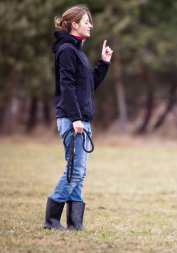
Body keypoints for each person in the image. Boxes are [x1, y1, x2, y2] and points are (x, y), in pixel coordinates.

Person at [43, 4, 113, 230]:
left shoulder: (77, 51)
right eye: (86, 22)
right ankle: (51, 219)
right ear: (75, 25)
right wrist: (75, 119)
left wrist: (103, 62)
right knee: (75, 170)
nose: (91, 25)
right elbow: (67, 87)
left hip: (81, 120)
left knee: (79, 173)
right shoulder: (66, 50)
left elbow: (88, 85)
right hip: (73, 119)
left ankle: (74, 222)